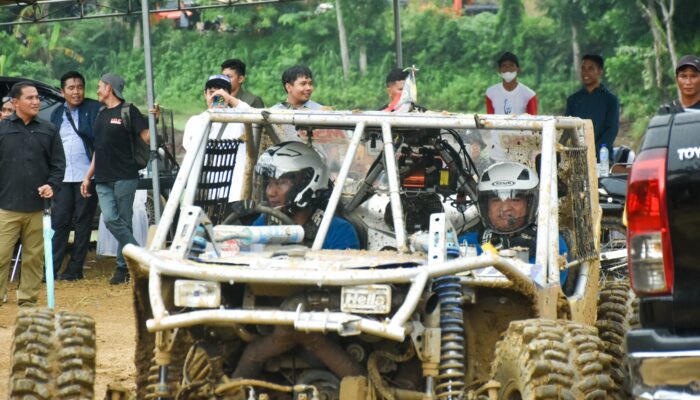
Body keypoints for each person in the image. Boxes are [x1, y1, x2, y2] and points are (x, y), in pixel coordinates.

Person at [0, 81, 65, 307]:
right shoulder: (3, 130)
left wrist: (52, 185)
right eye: (30, 98)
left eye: (37, 97)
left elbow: (58, 165)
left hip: (39, 207)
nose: (36, 101)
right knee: (1, 255)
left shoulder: (48, 130)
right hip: (6, 206)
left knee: (34, 257)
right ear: (15, 102)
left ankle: (27, 299)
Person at [81, 73, 149, 285]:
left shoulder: (129, 111)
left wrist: (153, 120)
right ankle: (139, 254)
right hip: (102, 178)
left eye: (100, 86)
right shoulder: (100, 114)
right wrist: (88, 177)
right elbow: (97, 150)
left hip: (125, 176)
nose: (97, 90)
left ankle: (123, 268)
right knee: (111, 219)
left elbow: (147, 136)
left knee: (125, 220)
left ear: (109, 88)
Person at [461, 162, 569, 282]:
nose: (505, 208)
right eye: (496, 200)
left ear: (529, 205)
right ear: (486, 206)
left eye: (515, 200)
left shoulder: (549, 242)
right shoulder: (468, 242)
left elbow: (547, 280)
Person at [252, 141, 359, 250]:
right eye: (269, 183)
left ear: (305, 183)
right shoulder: (265, 222)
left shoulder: (338, 231)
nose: (271, 192)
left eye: (280, 183)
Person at [49, 71, 101, 281]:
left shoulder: (94, 108)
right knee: (59, 222)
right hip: (62, 177)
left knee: (83, 222)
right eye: (71, 88)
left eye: (80, 87)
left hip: (86, 175)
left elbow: (100, 140)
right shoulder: (55, 114)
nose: (76, 92)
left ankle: (74, 270)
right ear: (62, 91)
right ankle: (51, 269)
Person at [182, 74, 252, 203]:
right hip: (203, 190)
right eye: (212, 92)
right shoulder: (195, 121)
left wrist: (231, 100)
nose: (216, 97)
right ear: (205, 94)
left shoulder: (240, 119)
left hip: (232, 191)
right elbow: (189, 150)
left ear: (229, 95)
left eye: (221, 93)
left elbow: (254, 116)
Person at [565, 54, 620, 158]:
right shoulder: (572, 100)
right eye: (583, 68)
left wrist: (593, 151)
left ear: (600, 71)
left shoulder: (610, 100)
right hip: (576, 157)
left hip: (602, 158)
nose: (585, 72)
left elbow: (611, 130)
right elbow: (567, 129)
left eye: (590, 68)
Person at [271, 66, 323, 141]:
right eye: (303, 84)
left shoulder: (322, 112)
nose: (309, 88)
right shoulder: (273, 114)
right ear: (289, 87)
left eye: (310, 83)